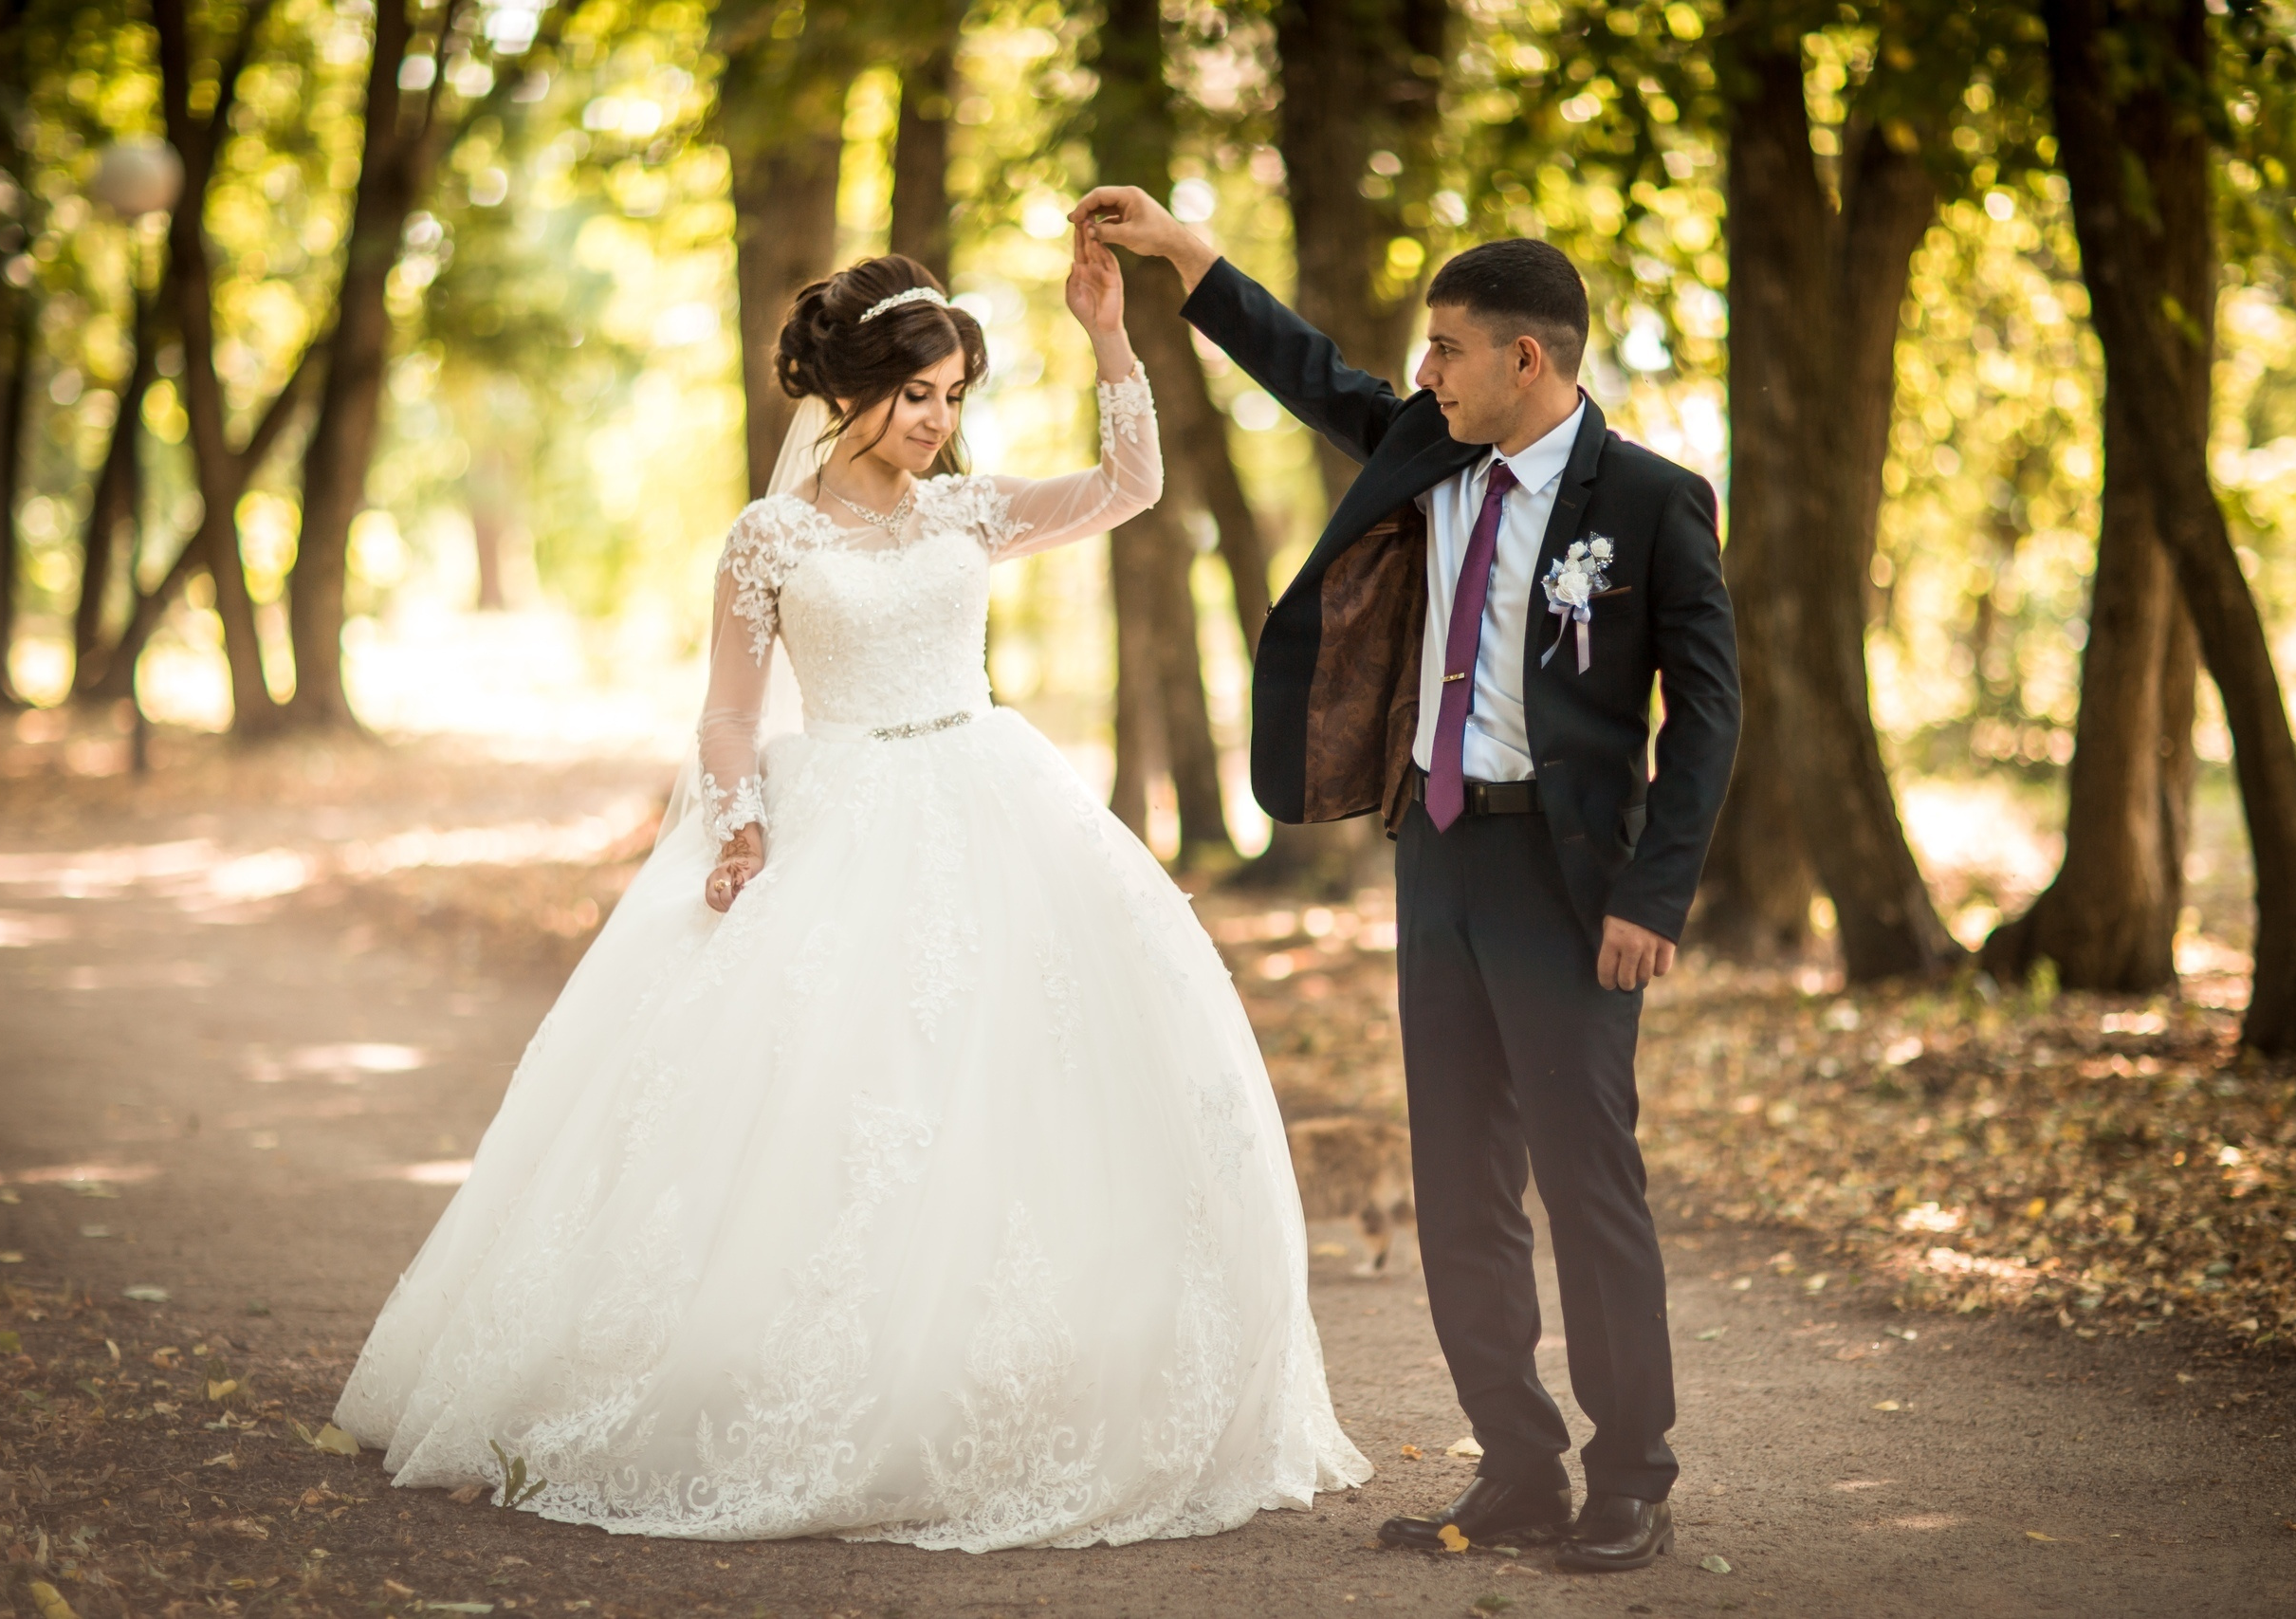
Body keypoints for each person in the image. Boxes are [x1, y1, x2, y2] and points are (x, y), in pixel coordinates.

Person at [332, 233, 1370, 1549]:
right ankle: (811, 1386)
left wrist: (1111, 334)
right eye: (916, 394)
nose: (938, 423)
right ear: (847, 388)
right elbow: (725, 714)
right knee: (842, 1110)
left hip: (993, 801)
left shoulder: (966, 511)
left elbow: (1130, 484)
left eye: (953, 398)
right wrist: (743, 821)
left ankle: (1002, 1379)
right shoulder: (768, 539)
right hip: (841, 815)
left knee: (1025, 1089)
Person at [1074, 185, 1740, 1573]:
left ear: (1527, 362)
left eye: (1445, 349)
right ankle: (1515, 1464)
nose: (1421, 372)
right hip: (1434, 856)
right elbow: (1306, 368)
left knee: (1585, 1177)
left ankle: (1634, 1476)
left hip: (1570, 889)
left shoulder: (1657, 504)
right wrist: (1188, 258)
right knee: (1458, 1180)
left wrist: (1651, 898)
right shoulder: (1423, 451)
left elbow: (1711, 720)